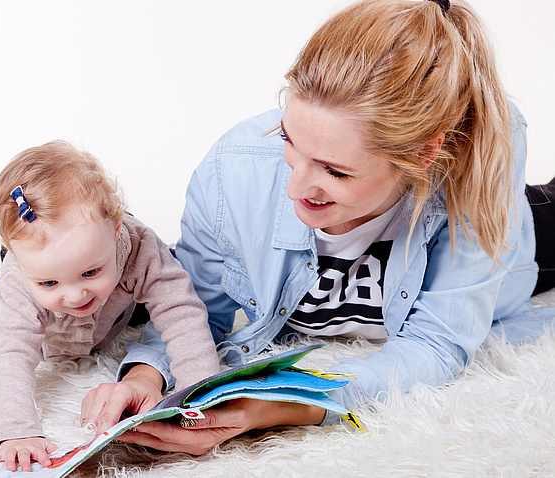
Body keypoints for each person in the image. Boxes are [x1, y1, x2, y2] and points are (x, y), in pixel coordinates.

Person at [80, 0, 555, 455]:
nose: (295, 188)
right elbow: (193, 304)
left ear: (424, 154)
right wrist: (145, 375)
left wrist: (288, 406)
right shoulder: (233, 173)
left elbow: (439, 343)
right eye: (289, 141)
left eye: (335, 171)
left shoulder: (475, 168)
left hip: (530, 233)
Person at [0, 140, 221, 470]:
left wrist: (202, 393)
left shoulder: (138, 244)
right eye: (49, 282)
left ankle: (122, 273)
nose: (76, 296)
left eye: (89, 272)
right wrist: (17, 432)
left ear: (116, 228)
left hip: (117, 308)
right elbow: (9, 353)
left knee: (172, 273)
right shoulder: (19, 279)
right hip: (53, 326)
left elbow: (181, 312)